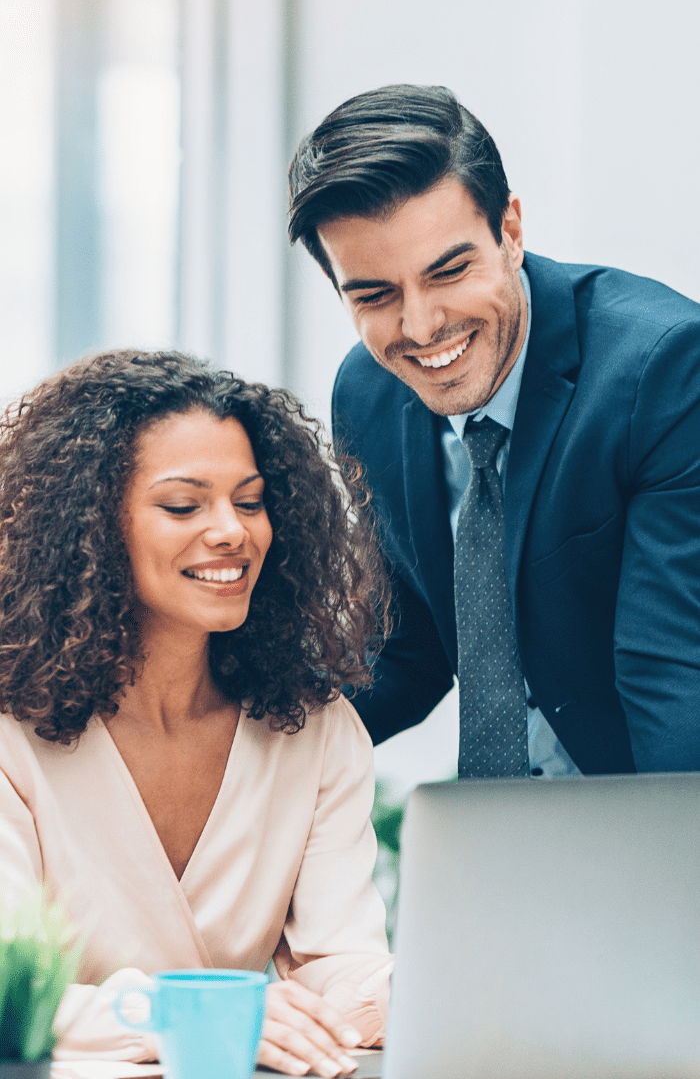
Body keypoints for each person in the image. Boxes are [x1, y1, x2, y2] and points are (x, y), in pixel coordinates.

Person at [287, 83, 700, 778]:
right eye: (374, 295)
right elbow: (406, 650)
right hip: (500, 829)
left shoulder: (661, 370)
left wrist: (668, 873)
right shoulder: (366, 393)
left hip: (647, 806)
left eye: (449, 271)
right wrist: (244, 764)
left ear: (509, 231)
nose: (421, 328)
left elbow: (673, 673)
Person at [0, 350, 392, 1074]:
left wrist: (411, 992)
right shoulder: (9, 736)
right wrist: (206, 1018)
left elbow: (339, 962)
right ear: (86, 525)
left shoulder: (312, 726)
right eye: (184, 505)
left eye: (250, 501)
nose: (233, 532)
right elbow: (12, 991)